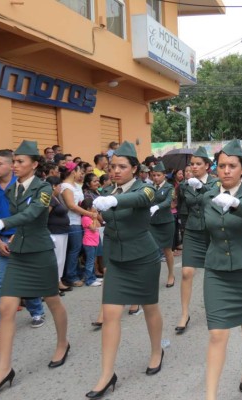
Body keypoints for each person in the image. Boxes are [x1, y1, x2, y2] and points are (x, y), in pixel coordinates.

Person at [0, 141, 69, 394]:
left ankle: (63, 343)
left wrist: (1, 223)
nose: (16, 165)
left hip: (40, 252)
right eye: (15, 161)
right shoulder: (13, 189)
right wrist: (9, 231)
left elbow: (33, 214)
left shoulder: (44, 187)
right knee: (6, 307)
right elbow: (18, 215)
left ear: (34, 164)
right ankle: (3, 369)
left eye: (20, 161)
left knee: (53, 301)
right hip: (19, 252)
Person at [87, 141, 164, 399]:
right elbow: (107, 226)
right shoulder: (108, 190)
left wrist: (112, 200)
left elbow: (138, 199)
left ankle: (156, 351)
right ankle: (107, 374)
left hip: (143, 257)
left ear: (134, 168)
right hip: (117, 261)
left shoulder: (146, 188)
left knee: (149, 308)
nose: (115, 171)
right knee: (110, 315)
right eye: (112, 167)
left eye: (122, 166)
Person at [201, 139, 242, 399]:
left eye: (231, 166)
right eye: (221, 165)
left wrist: (235, 203)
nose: (226, 170)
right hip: (216, 271)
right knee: (217, 333)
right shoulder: (208, 195)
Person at [0, 149, 46, 346]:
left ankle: (37, 311)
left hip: (21, 238)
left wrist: (15, 235)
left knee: (26, 279)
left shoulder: (22, 185)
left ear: (11, 165)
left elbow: (29, 213)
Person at [176, 147, 218, 333]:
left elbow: (217, 197)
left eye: (198, 164)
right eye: (191, 164)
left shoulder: (216, 182)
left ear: (207, 166)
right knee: (186, 272)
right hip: (192, 230)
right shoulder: (185, 185)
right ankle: (184, 313)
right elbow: (183, 207)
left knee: (212, 271)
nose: (194, 167)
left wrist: (202, 187)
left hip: (211, 231)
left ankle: (214, 307)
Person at [61, 162, 95, 287]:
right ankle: (71, 276)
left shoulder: (76, 185)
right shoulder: (66, 186)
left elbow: (80, 202)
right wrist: (89, 213)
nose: (80, 174)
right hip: (71, 221)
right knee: (74, 250)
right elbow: (71, 205)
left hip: (78, 220)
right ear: (73, 171)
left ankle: (74, 271)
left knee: (78, 249)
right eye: (79, 171)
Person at [149, 162, 176, 288]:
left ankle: (171, 274)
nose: (155, 178)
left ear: (164, 175)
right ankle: (153, 277)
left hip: (166, 223)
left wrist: (157, 207)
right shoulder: (150, 188)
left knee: (167, 250)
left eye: (158, 175)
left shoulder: (169, 187)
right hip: (152, 223)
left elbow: (168, 202)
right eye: (153, 175)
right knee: (153, 251)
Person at [45, 176, 71, 293]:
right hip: (55, 232)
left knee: (61, 259)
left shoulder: (56, 197)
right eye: (59, 185)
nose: (61, 188)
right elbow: (45, 215)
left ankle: (58, 281)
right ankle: (53, 284)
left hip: (62, 232)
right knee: (56, 259)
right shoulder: (49, 198)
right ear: (53, 186)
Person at [80, 198, 102, 287]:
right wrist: (94, 218)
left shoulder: (91, 217)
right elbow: (93, 228)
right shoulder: (85, 218)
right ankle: (89, 280)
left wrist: (95, 218)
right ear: (88, 209)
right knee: (90, 261)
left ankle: (93, 277)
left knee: (92, 261)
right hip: (89, 243)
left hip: (94, 242)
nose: (94, 208)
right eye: (93, 206)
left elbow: (99, 226)